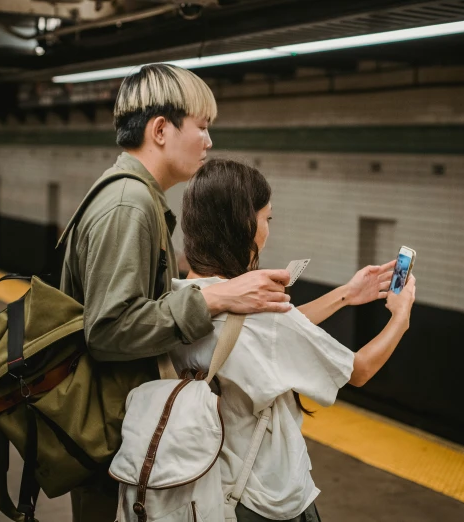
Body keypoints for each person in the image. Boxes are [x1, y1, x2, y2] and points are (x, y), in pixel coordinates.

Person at [60, 64, 296, 522]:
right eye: (203, 127)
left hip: (122, 435)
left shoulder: (136, 199)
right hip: (110, 442)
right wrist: (212, 299)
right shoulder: (128, 205)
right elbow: (108, 330)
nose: (209, 142)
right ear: (161, 129)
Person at [169, 158, 417, 522]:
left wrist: (347, 294)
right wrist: (402, 316)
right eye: (267, 218)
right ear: (243, 226)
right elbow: (359, 370)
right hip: (266, 501)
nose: (268, 229)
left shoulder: (178, 301)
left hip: (202, 493)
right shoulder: (263, 321)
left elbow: (266, 336)